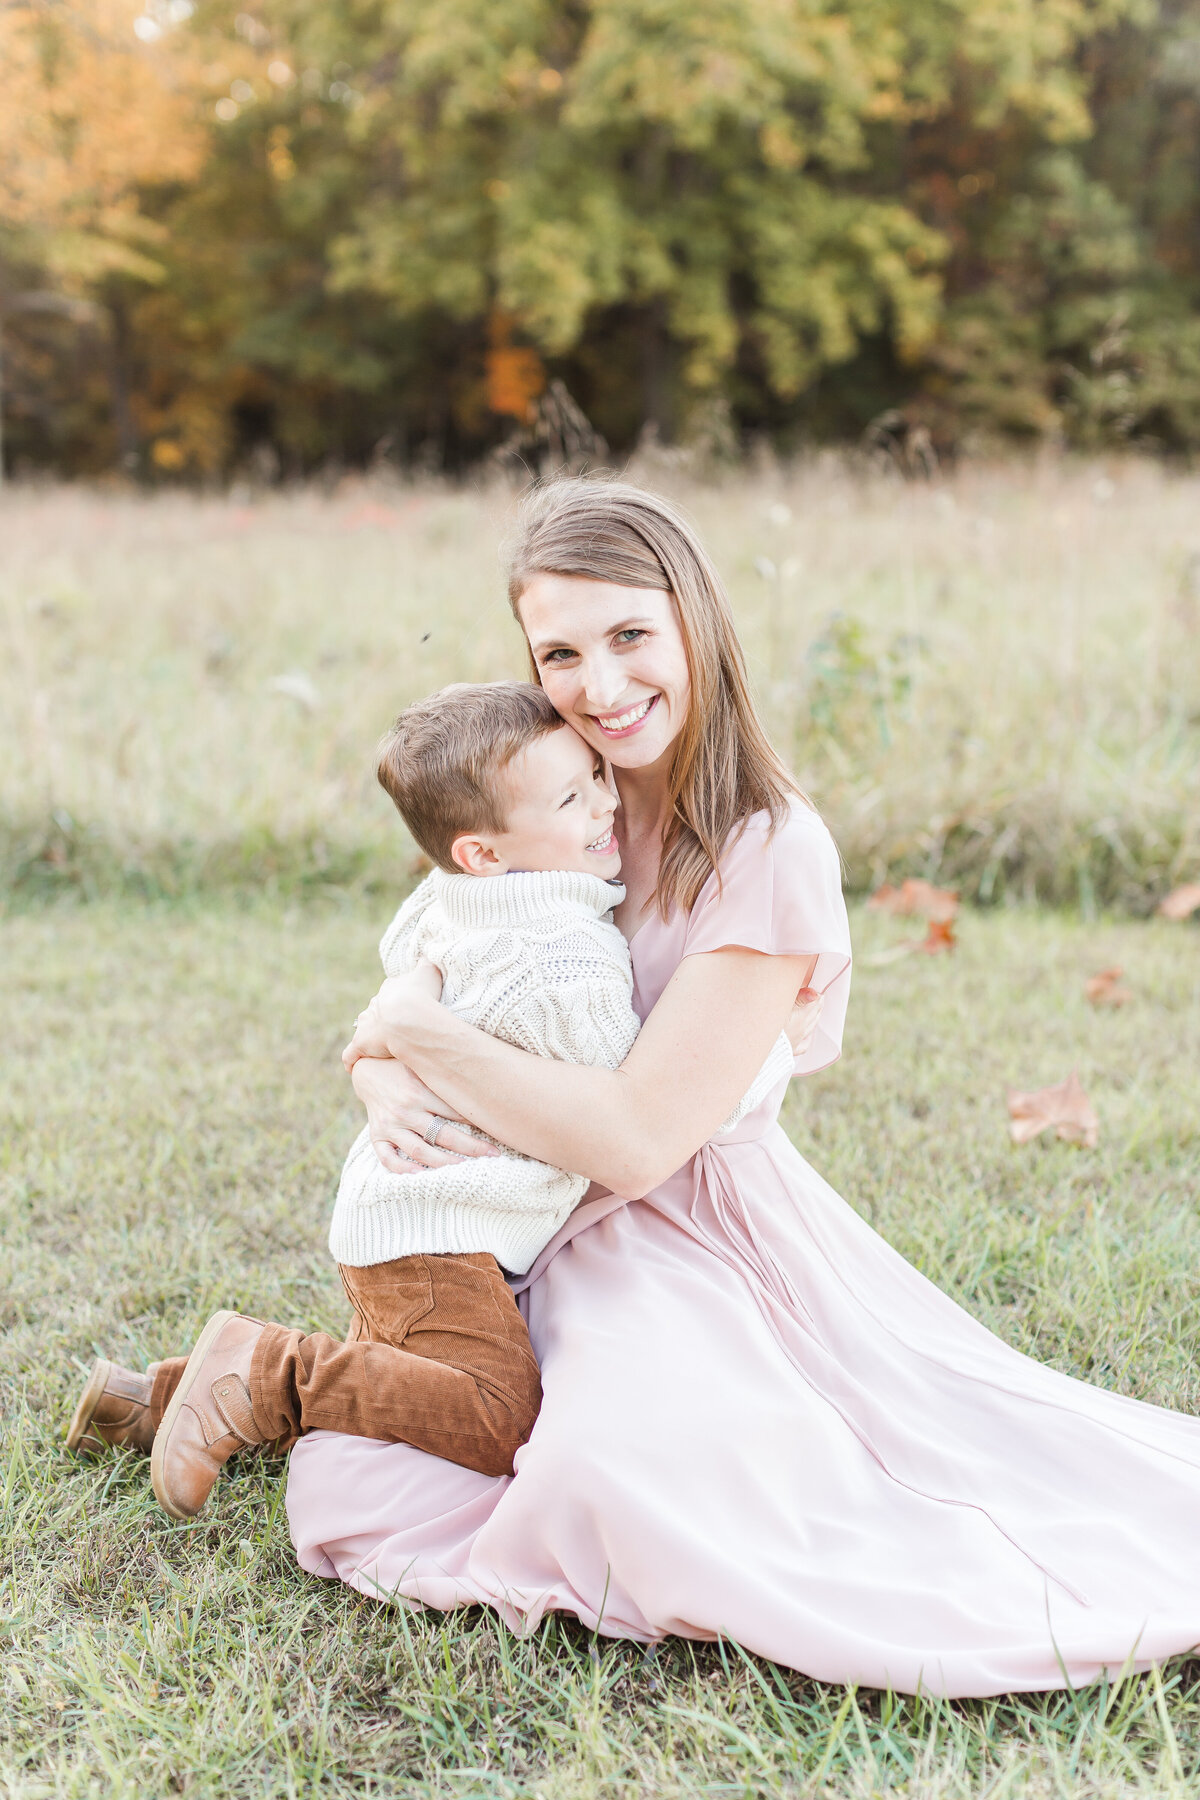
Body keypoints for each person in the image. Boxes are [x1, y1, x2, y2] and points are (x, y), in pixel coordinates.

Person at [287, 476, 1200, 1700]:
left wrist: (408, 1030)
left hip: (685, 1220)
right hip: (523, 1222)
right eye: (559, 652)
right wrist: (378, 1058)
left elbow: (640, 1139)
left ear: (695, 624)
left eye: (628, 637)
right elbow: (451, 958)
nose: (599, 687)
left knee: (614, 1475)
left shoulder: (768, 848)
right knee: (391, 1461)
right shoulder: (554, 807)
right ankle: (249, 1385)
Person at [66, 675, 794, 1520]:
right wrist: (768, 1042)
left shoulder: (453, 900)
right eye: (571, 796)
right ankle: (267, 1370)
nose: (605, 805)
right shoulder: (566, 962)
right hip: (444, 1232)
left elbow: (401, 959)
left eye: (597, 776)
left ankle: (146, 1400)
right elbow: (648, 1096)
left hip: (405, 1210)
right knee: (492, 1416)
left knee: (400, 1390)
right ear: (483, 848)